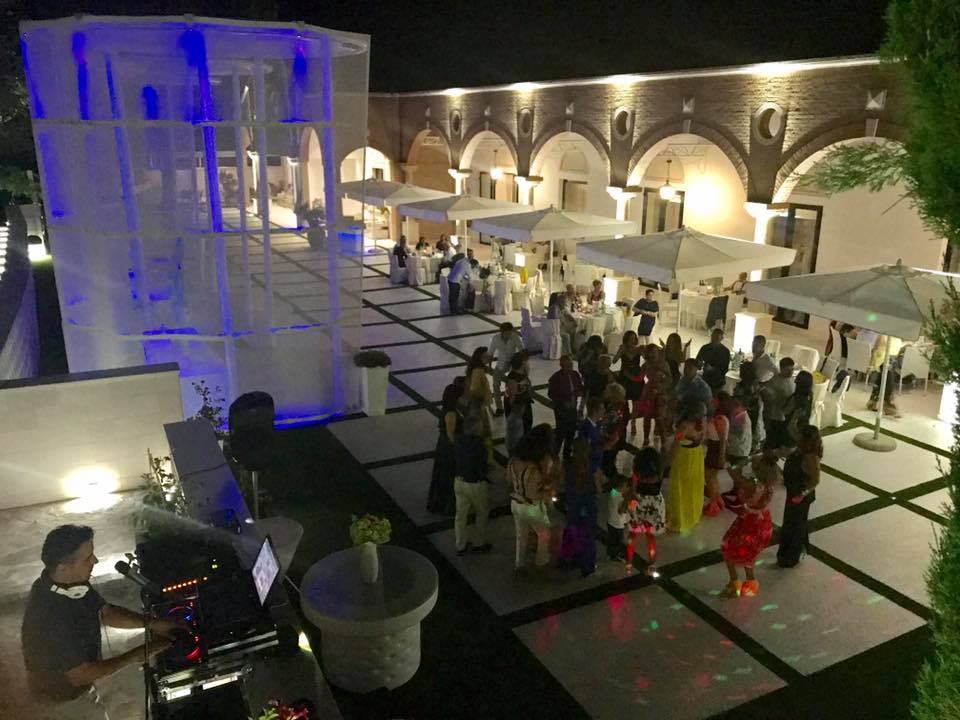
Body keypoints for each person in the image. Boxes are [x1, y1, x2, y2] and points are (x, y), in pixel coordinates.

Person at [21, 525, 183, 717]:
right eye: (88, 558)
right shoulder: (50, 618)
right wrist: (137, 654)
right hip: (64, 701)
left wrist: (152, 623)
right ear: (63, 567)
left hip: (79, 687)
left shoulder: (69, 583)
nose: (95, 561)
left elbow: (106, 613)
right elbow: (80, 675)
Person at [720, 451, 779, 597]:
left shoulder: (751, 485)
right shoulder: (769, 486)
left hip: (749, 522)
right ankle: (751, 582)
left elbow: (732, 470)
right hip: (762, 522)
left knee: (727, 547)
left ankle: (734, 582)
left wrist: (741, 462)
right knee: (748, 554)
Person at [508, 425, 557, 574]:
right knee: (544, 534)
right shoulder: (535, 468)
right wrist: (547, 494)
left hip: (515, 504)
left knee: (521, 535)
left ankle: (519, 565)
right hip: (531, 508)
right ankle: (541, 563)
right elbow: (534, 493)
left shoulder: (514, 460)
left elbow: (508, 479)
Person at [777, 424, 822, 568]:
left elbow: (815, 481)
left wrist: (801, 495)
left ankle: (791, 556)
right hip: (793, 492)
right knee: (791, 523)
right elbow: (790, 428)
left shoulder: (811, 458)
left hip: (800, 495)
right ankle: (788, 552)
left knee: (795, 525)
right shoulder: (799, 450)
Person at [558, 438, 603, 577]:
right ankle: (587, 565)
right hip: (588, 505)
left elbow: (561, 482)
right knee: (588, 535)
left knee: (572, 531)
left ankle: (569, 559)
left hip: (573, 504)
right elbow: (599, 488)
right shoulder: (592, 466)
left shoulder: (568, 465)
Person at [453, 412, 493, 555]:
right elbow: (483, 465)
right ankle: (479, 543)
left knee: (460, 515)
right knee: (482, 513)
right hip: (476, 484)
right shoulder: (479, 445)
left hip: (459, 481)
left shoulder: (458, 440)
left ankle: (460, 545)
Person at [666, 401, 707, 533]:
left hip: (684, 457)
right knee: (694, 486)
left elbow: (676, 443)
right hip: (696, 455)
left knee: (680, 487)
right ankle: (693, 515)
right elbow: (702, 439)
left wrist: (668, 459)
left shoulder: (683, 426)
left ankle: (680, 519)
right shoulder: (702, 423)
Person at [427, 376, 465, 515]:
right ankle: (446, 505)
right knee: (448, 476)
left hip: (446, 446)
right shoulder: (451, 413)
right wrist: (460, 448)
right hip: (448, 449)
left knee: (445, 475)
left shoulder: (453, 409)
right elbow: (450, 435)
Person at [627, 446, 666, 575]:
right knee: (650, 535)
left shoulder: (637, 473)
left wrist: (630, 501)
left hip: (638, 501)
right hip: (654, 504)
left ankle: (629, 560)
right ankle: (652, 563)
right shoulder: (658, 473)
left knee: (632, 533)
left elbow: (633, 490)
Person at [718, 391, 753, 511]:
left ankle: (742, 497)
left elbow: (739, 435)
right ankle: (736, 490)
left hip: (739, 451)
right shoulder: (738, 415)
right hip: (737, 449)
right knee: (734, 470)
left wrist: (725, 436)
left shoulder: (740, 417)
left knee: (735, 472)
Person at [638, 344, 676, 451]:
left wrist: (661, 386)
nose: (653, 354)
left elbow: (670, 379)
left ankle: (664, 443)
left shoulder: (664, 364)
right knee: (646, 417)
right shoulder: (646, 365)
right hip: (648, 393)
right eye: (651, 352)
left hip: (660, 394)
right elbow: (640, 377)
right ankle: (646, 439)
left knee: (660, 419)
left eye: (655, 351)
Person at [548, 354, 584, 460]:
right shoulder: (555, 378)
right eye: (567, 365)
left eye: (571, 365)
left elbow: (580, 387)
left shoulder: (575, 375)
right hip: (561, 410)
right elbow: (551, 394)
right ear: (562, 365)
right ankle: (554, 454)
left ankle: (567, 454)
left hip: (573, 407)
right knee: (560, 432)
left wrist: (580, 392)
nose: (570, 367)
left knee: (571, 432)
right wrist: (563, 402)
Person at [488, 323, 524, 417]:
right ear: (502, 332)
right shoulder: (496, 338)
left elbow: (521, 350)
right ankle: (499, 408)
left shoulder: (514, 337)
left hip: (513, 364)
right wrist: (489, 366)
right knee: (496, 384)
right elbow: (490, 353)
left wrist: (521, 365)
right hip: (501, 364)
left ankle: (514, 405)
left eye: (510, 333)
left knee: (513, 386)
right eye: (507, 333)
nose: (508, 335)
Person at [614, 331, 644, 435]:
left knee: (636, 404)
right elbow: (614, 361)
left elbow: (648, 359)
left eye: (634, 338)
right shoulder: (623, 349)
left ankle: (633, 423)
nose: (632, 341)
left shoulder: (638, 349)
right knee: (623, 403)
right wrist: (620, 351)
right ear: (626, 340)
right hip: (625, 378)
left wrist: (643, 351)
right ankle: (622, 424)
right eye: (630, 338)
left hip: (636, 378)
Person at [761, 357, 795, 449]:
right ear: (781, 369)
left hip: (788, 416)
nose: (790, 372)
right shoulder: (774, 382)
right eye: (787, 370)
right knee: (773, 440)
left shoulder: (792, 379)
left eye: (792, 369)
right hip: (776, 417)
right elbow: (768, 398)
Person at [504, 351, 534, 455]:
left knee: (527, 428)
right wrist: (516, 413)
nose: (529, 363)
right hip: (518, 409)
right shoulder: (513, 378)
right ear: (522, 363)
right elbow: (511, 398)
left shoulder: (523, 374)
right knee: (518, 432)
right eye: (527, 361)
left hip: (525, 405)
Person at [703, 398, 729, 516]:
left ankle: (714, 505)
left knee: (710, 478)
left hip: (715, 450)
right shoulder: (719, 418)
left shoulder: (719, 420)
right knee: (712, 477)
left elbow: (722, 440)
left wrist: (721, 457)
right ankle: (718, 501)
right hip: (713, 449)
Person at [600, 382, 630, 482]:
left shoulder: (616, 408)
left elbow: (613, 424)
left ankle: (615, 484)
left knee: (608, 464)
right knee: (608, 463)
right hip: (612, 439)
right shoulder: (615, 406)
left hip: (611, 440)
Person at [733, 360, 765, 451]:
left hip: (747, 411)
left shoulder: (745, 386)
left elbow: (741, 400)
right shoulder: (756, 384)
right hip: (753, 411)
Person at [782, 370, 814, 446]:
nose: (795, 381)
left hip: (791, 430)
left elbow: (785, 412)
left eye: (797, 379)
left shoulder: (796, 399)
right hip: (803, 428)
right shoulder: (809, 395)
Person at [696, 328, 731, 394]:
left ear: (721, 338)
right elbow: (697, 363)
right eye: (713, 336)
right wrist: (699, 364)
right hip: (706, 380)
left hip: (718, 383)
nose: (714, 339)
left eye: (717, 338)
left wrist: (712, 369)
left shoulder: (725, 351)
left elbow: (725, 369)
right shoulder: (705, 348)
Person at [577, 334, 606, 414]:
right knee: (586, 391)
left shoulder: (602, 348)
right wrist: (589, 355)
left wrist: (599, 354)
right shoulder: (585, 348)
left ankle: (593, 408)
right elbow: (581, 363)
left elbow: (604, 361)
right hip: (587, 371)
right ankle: (581, 408)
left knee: (595, 392)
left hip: (597, 372)